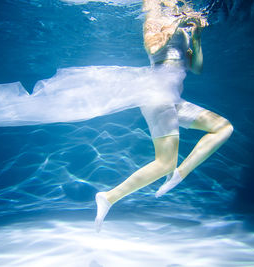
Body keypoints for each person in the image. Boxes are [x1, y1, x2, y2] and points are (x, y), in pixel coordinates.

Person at [94, 0, 233, 232]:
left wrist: (196, 36)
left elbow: (196, 68)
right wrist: (178, 21)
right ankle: (108, 197)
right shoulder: (155, 19)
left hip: (175, 100)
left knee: (223, 127)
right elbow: (153, 48)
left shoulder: (183, 26)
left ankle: (179, 173)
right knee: (164, 162)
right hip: (157, 95)